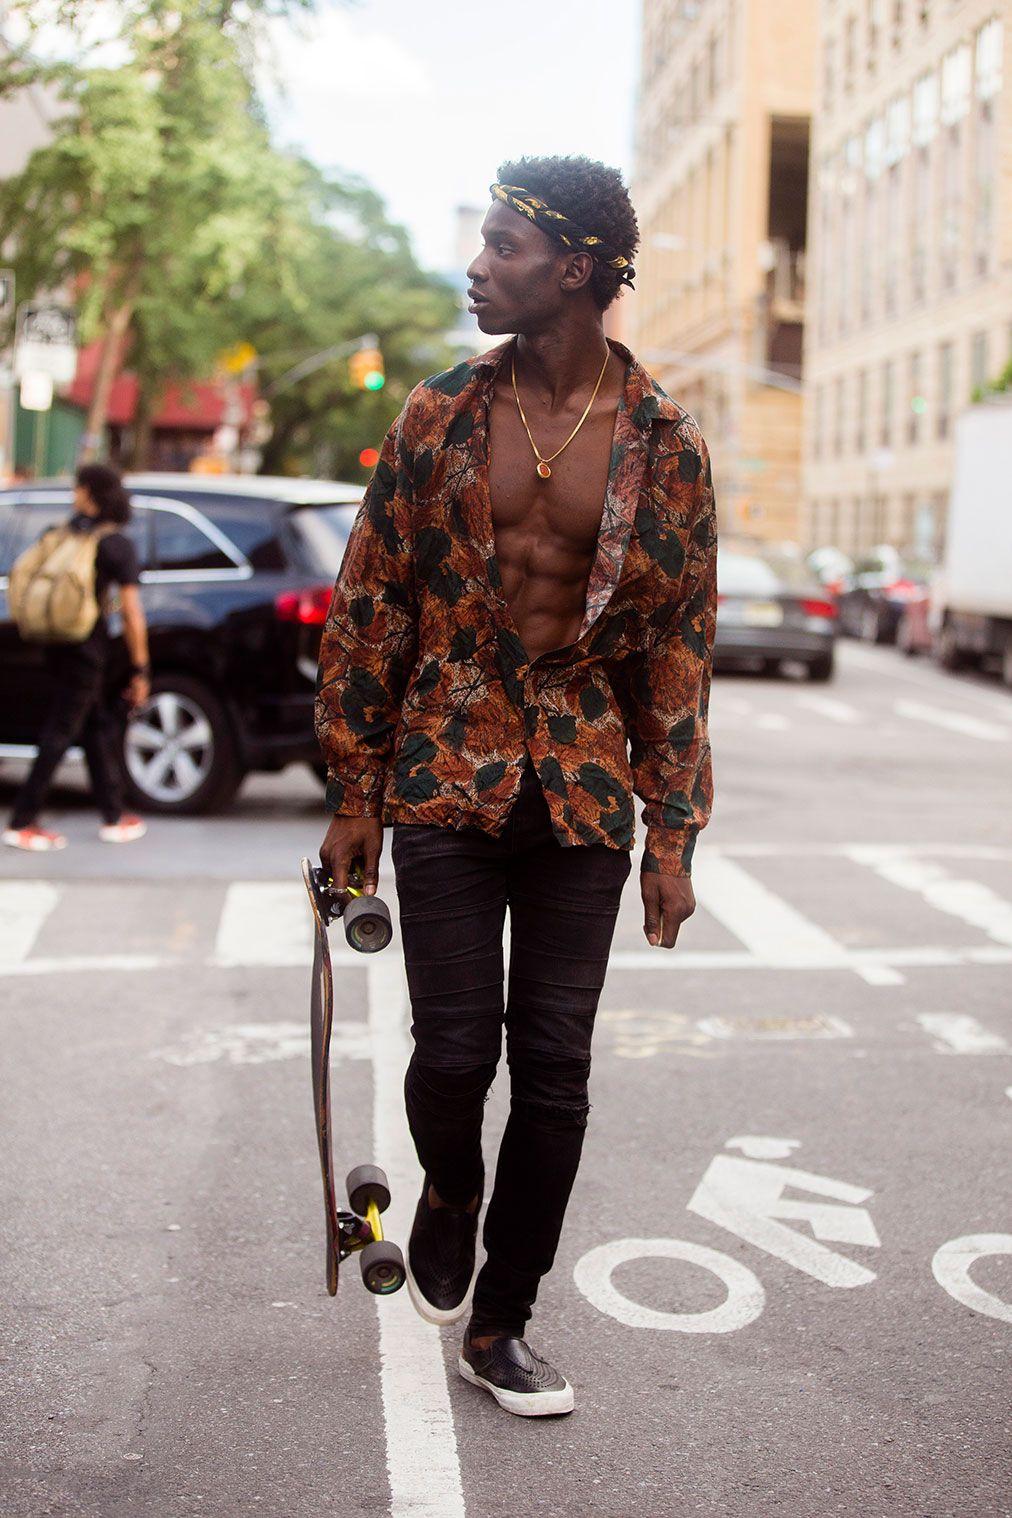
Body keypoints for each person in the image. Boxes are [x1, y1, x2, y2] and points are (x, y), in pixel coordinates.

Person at [315, 155, 718, 1416]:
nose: (477, 265)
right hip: (447, 765)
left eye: (501, 247)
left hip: (585, 792)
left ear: (578, 269)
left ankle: (502, 1322)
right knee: (453, 1052)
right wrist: (354, 791)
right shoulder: (437, 415)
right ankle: (448, 1184)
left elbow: (679, 650)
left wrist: (674, 837)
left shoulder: (665, 444)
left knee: (553, 1066)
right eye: (482, 243)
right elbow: (370, 602)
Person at [3, 463, 151, 851]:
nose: (73, 494)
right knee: (61, 730)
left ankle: (113, 815)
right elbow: (132, 613)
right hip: (89, 649)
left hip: (56, 645)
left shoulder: (57, 535)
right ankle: (22, 820)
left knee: (94, 724)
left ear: (89, 493)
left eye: (78, 488)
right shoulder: (116, 544)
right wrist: (140, 667)